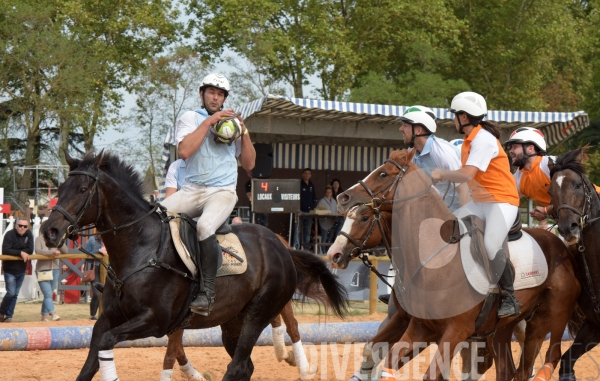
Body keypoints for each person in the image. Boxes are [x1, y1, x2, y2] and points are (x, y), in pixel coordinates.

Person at [161, 73, 255, 316]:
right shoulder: (190, 117)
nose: (216, 97)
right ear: (202, 94)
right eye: (212, 92)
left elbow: (249, 164)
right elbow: (183, 152)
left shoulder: (232, 123)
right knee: (156, 216)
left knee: (204, 227)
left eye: (220, 94)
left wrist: (243, 131)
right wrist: (208, 122)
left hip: (222, 192)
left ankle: (207, 293)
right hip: (192, 190)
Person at [431, 91, 520, 318]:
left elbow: (467, 174)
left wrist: (442, 173)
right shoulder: (468, 143)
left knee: (491, 244)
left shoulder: (484, 140)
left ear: (464, 116)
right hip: (481, 202)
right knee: (447, 227)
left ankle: (510, 297)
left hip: (502, 201)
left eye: (455, 115)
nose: (453, 119)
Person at [398, 105, 469, 211]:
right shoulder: (411, 152)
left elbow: (463, 189)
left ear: (418, 130)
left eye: (405, 125)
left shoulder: (442, 153)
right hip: (442, 208)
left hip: (464, 208)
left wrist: (467, 221)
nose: (401, 129)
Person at [0, 218, 33, 322]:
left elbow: (30, 250)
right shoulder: (9, 234)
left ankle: (9, 316)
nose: (22, 228)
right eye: (20, 225)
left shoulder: (29, 235)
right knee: (11, 293)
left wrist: (19, 252)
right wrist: (21, 253)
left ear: (28, 227)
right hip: (9, 269)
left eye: (25, 226)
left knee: (15, 295)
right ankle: (1, 311)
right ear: (16, 225)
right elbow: (6, 249)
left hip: (21, 269)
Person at [35, 221, 67, 321]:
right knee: (48, 294)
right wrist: (51, 252)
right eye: (48, 228)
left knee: (49, 294)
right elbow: (38, 250)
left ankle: (43, 316)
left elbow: (66, 251)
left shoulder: (55, 240)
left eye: (52, 228)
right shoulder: (39, 239)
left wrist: (59, 240)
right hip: (42, 269)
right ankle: (53, 313)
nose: (50, 230)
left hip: (55, 270)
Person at [294, 168, 317, 250]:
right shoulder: (299, 184)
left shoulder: (311, 185)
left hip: (309, 212)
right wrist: (297, 209)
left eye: (308, 173)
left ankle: (306, 250)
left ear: (310, 175)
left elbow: (314, 198)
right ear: (302, 174)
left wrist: (313, 209)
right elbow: (295, 197)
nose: (307, 175)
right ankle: (296, 249)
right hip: (300, 211)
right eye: (305, 173)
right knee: (298, 230)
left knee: (307, 232)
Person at [85, 235, 107, 320]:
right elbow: (86, 253)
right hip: (95, 267)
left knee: (106, 292)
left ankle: (103, 313)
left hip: (106, 267)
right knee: (97, 293)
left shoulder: (109, 239)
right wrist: (99, 251)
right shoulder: (92, 239)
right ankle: (92, 314)